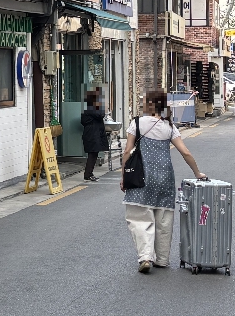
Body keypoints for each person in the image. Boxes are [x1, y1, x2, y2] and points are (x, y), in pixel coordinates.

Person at [120, 89, 206, 273]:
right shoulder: (169, 126)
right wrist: (197, 172)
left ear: (149, 104)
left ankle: (145, 257)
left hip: (141, 177)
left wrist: (123, 176)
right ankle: (162, 259)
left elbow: (127, 151)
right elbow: (185, 152)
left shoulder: (137, 123)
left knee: (139, 217)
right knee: (164, 218)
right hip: (165, 177)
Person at [80, 89, 108, 182]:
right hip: (92, 134)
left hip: (91, 134)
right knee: (92, 153)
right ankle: (88, 174)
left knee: (93, 153)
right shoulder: (92, 109)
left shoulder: (88, 109)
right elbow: (101, 114)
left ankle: (89, 174)